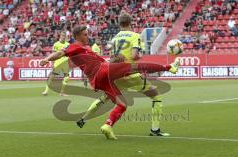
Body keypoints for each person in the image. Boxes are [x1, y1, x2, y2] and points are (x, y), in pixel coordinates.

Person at [40, 26, 179, 140]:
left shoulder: (87, 50)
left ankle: (107, 125)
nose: (87, 36)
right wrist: (47, 59)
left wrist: (113, 60)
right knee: (137, 67)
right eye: (85, 34)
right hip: (103, 72)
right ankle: (169, 67)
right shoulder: (74, 46)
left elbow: (100, 61)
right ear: (77, 36)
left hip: (100, 80)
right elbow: (60, 53)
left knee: (122, 104)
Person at [77, 13, 170, 137]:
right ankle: (155, 130)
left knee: (105, 97)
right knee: (156, 96)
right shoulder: (135, 36)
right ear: (131, 23)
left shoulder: (114, 38)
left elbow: (113, 58)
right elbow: (134, 56)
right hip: (130, 73)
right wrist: (140, 56)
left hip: (115, 74)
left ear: (119, 23)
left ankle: (84, 118)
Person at [42, 31, 70, 96]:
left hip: (65, 62)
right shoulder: (56, 44)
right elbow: (53, 54)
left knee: (67, 77)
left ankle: (62, 92)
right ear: (60, 36)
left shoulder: (68, 44)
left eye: (64, 36)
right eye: (62, 36)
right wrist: (52, 63)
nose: (63, 37)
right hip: (58, 62)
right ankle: (46, 91)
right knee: (52, 77)